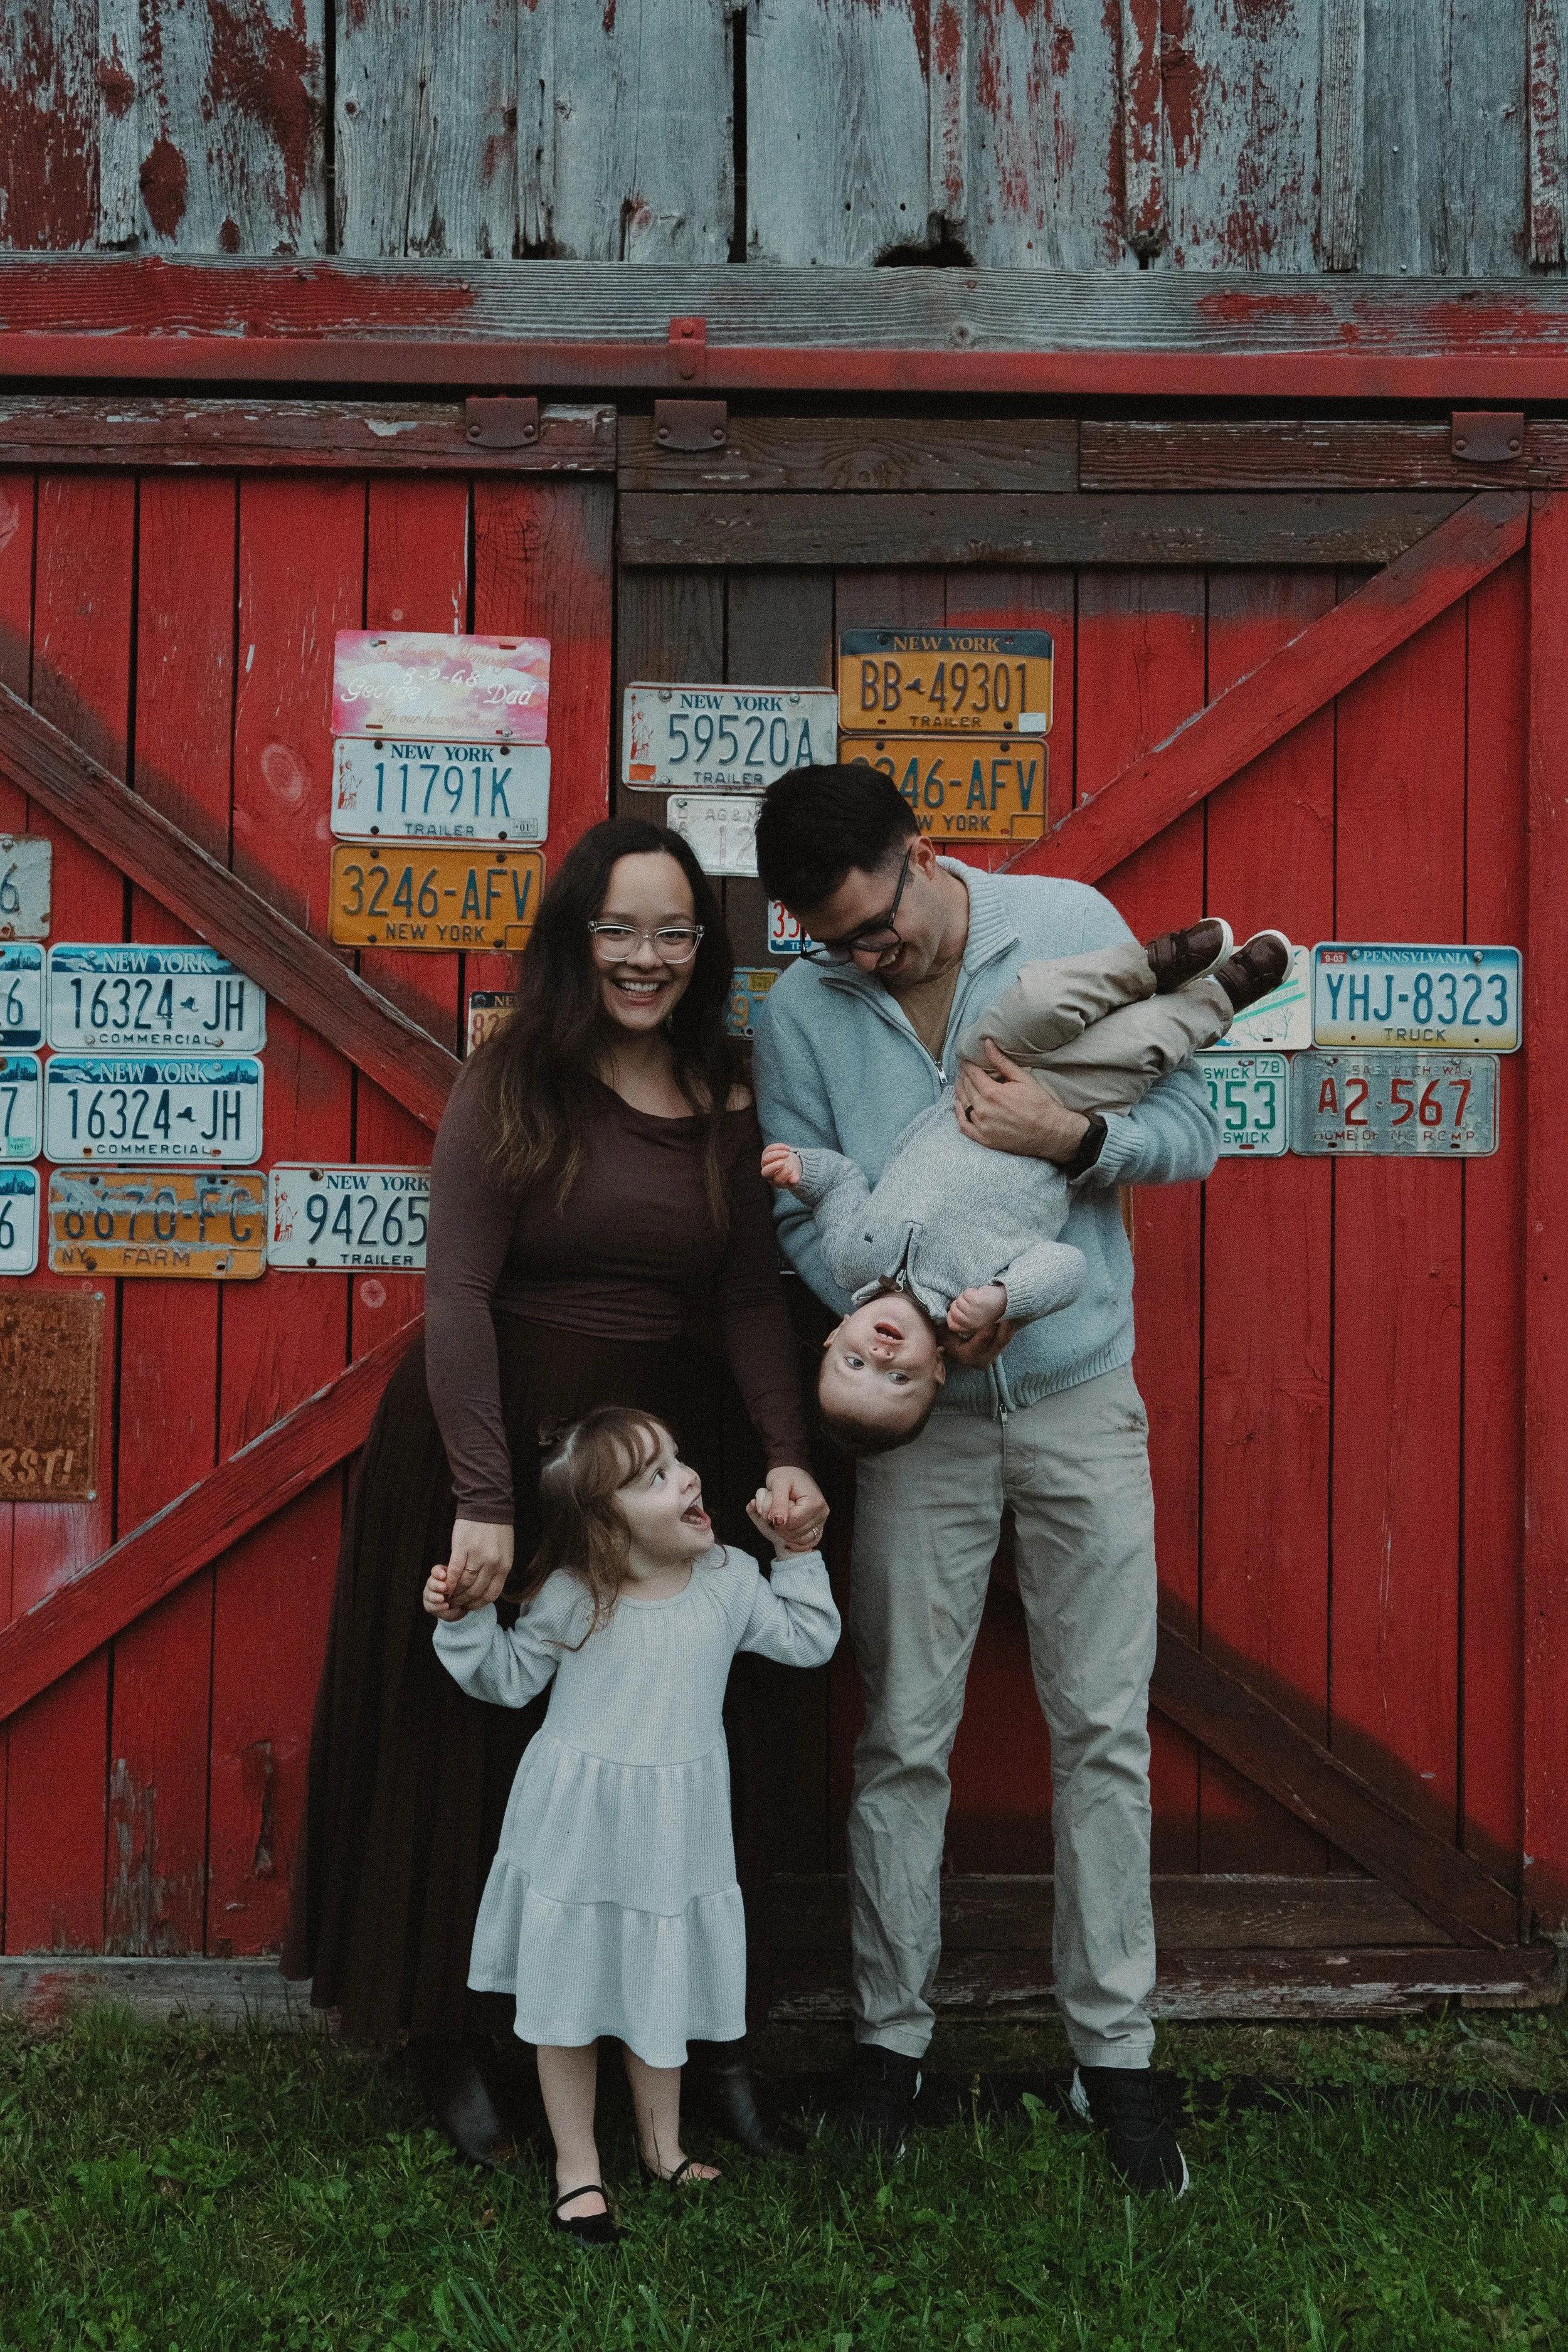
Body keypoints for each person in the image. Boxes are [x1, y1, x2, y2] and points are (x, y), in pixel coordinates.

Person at [283, 818, 829, 2168]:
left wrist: (785, 1452)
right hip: (490, 1444)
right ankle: (450, 2032)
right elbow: (458, 1293)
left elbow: (749, 1297)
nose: (646, 957)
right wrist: (484, 1498)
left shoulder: (726, 1088)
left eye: (674, 931)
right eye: (619, 929)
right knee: (466, 1739)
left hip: (651, 1462)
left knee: (682, 1732)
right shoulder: (515, 1075)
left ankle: (698, 2039)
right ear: (576, 938)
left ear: (704, 950)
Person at [751, 765, 1224, 2197]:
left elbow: (1191, 1132)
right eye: (829, 940)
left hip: (1079, 1391)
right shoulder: (801, 1007)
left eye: (874, 928)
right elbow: (803, 1219)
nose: (858, 956)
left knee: (1106, 1731)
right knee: (902, 1734)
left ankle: (1116, 2059)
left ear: (924, 854)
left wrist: (1069, 1141)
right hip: (923, 1426)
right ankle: (887, 2050)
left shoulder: (1065, 923)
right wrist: (890, 1329)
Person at [424, 1407, 839, 2246]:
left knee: (661, 1981)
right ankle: (577, 2166)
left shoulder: (728, 1581)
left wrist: (796, 1554)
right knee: (566, 1998)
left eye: (677, 1459)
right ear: (605, 1524)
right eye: (655, 1477)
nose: (686, 1477)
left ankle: (662, 2145)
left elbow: (808, 1638)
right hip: (577, 1827)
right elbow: (507, 1679)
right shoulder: (574, 1595)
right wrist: (464, 1618)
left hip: (675, 1832)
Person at [763, 920, 1291, 1452]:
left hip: (987, 1068)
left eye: (854, 1362)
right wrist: (1004, 1298)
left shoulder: (848, 1260)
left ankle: (1152, 965)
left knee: (1039, 997)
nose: (880, 1357)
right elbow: (1067, 1267)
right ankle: (1227, 992)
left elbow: (841, 1186)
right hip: (1073, 1102)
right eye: (899, 1378)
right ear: (938, 1371)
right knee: (1148, 1040)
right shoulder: (970, 1302)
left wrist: (803, 1170)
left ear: (836, 1334)